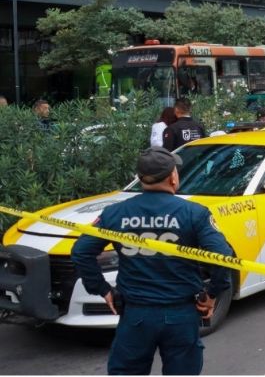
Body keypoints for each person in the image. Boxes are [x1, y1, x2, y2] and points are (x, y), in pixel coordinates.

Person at [71, 147, 233, 375]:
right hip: (181, 315)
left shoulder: (115, 213)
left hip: (136, 315)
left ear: (140, 178)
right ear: (172, 177)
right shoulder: (194, 213)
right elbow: (224, 256)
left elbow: (81, 252)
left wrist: (102, 289)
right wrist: (213, 294)